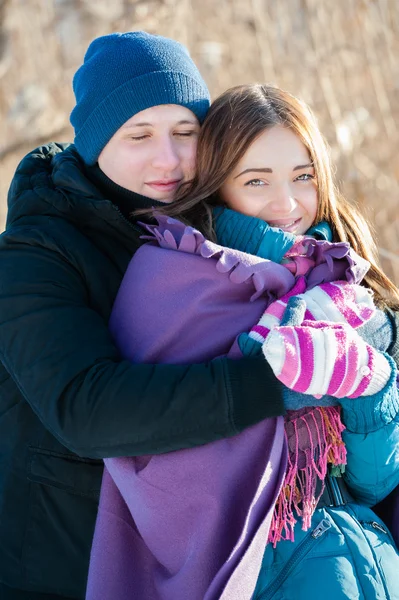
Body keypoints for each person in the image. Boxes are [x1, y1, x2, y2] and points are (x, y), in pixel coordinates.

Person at [0, 34, 289, 600]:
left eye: (186, 133)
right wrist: (276, 384)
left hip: (196, 565)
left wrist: (375, 335)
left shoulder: (214, 228)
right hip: (63, 570)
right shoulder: (35, 255)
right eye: (139, 136)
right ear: (94, 143)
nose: (169, 159)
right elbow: (87, 409)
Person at [86, 85, 399, 599]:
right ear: (216, 186)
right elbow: (159, 475)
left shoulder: (343, 287)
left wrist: (372, 387)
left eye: (304, 176)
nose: (287, 203)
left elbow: (371, 485)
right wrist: (268, 378)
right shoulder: (172, 284)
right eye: (257, 181)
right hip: (261, 577)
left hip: (365, 565)